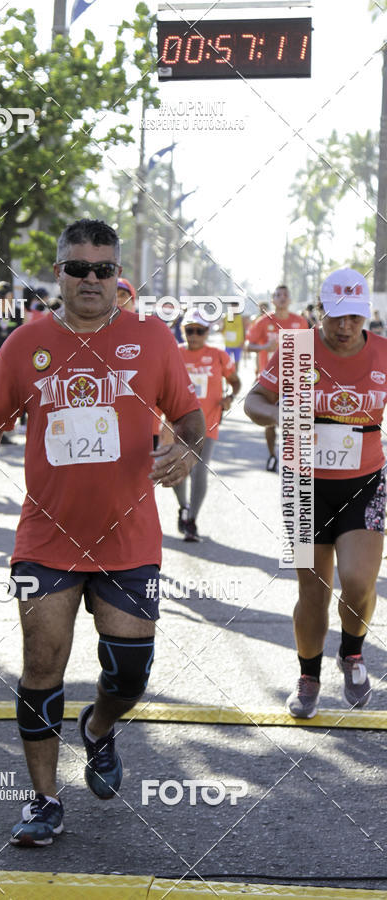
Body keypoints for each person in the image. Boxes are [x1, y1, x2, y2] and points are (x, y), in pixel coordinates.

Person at [0, 219, 205, 846]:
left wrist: (188, 452)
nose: (92, 279)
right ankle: (44, 799)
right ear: (58, 273)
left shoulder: (151, 338)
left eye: (104, 269)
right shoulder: (26, 342)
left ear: (118, 276)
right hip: (46, 536)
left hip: (129, 538)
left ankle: (97, 727)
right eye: (78, 268)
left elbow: (191, 420)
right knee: (41, 663)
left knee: (129, 673)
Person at [244, 268, 385, 718]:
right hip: (304, 485)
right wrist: (281, 413)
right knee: (314, 589)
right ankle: (308, 677)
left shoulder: (382, 352)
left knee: (359, 582)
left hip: (365, 483)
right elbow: (253, 401)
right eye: (336, 316)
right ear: (320, 311)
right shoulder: (297, 349)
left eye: (355, 317)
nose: (345, 327)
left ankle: (352, 652)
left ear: (366, 314)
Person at [162, 310, 241, 542]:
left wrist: (230, 397)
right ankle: (183, 507)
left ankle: (192, 520)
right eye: (189, 330)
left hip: (208, 422)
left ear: (207, 332)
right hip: (177, 423)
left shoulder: (218, 355)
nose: (194, 335)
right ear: (182, 330)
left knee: (199, 471)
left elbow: (235, 381)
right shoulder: (173, 353)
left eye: (200, 331)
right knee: (175, 470)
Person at [245, 285, 308, 471]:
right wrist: (264, 347)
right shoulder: (264, 321)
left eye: (285, 295)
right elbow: (248, 346)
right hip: (269, 379)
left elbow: (308, 349)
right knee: (271, 422)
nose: (282, 298)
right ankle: (272, 454)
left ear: (290, 300)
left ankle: (291, 460)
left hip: (294, 379)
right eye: (278, 295)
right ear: (273, 300)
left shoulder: (300, 322)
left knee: (292, 417)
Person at [220, 301, 248, 373]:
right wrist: (220, 330)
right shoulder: (225, 317)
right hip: (228, 344)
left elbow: (244, 330)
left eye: (235, 307)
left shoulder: (241, 318)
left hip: (238, 344)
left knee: (237, 362)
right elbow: (223, 328)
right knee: (226, 362)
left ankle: (236, 375)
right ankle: (227, 376)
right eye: (231, 306)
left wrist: (244, 341)